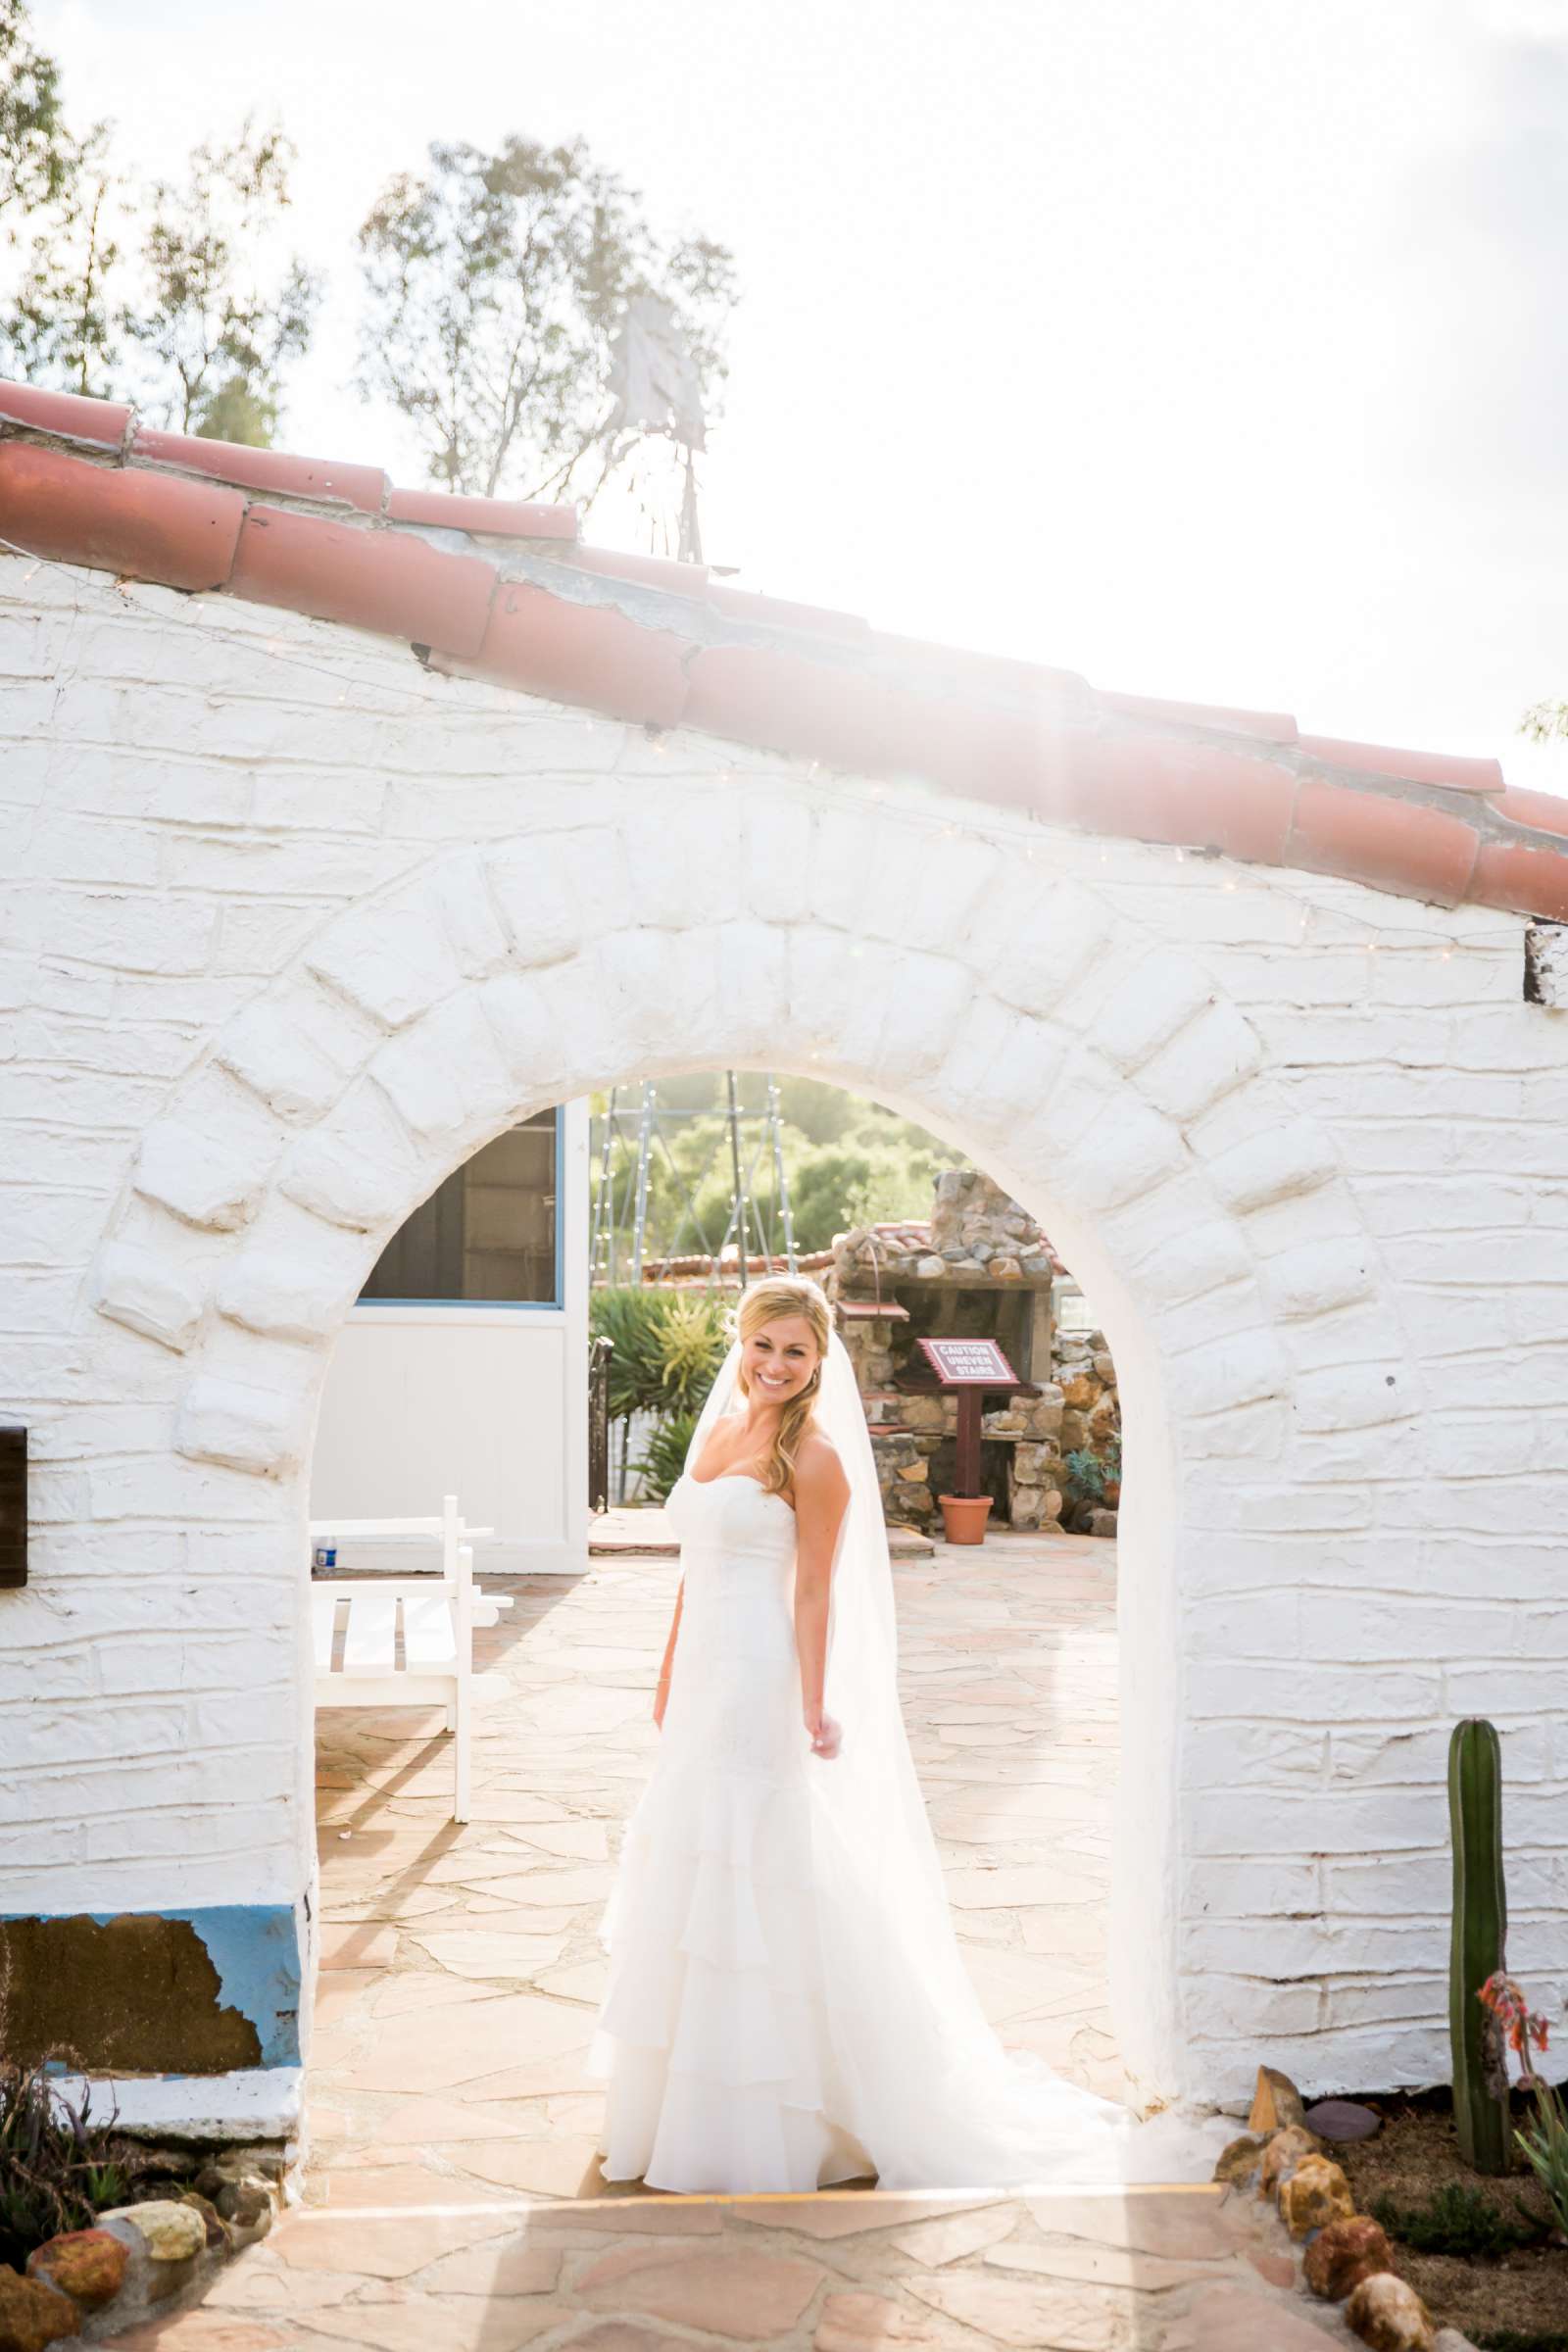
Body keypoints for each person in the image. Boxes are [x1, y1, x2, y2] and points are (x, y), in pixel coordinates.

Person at [586, 1272, 1136, 2194]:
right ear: (743, 1339)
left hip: (761, 1675)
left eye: (797, 1351)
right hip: (704, 1675)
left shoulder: (818, 1459)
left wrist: (810, 1700)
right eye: (765, 1344)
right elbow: (697, 1565)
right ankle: (686, 2097)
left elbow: (813, 1590)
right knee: (691, 1860)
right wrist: (669, 1672)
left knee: (763, 1861)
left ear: (820, 1360)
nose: (776, 1364)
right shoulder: (721, 1430)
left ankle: (805, 2106)